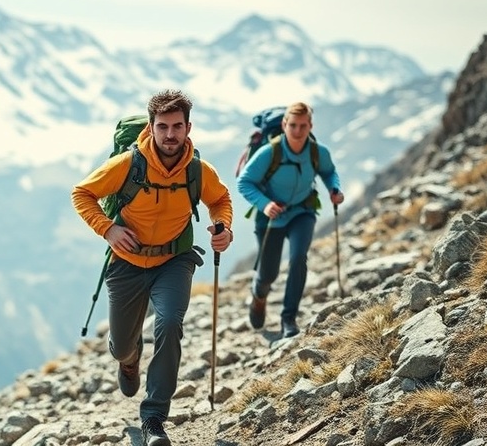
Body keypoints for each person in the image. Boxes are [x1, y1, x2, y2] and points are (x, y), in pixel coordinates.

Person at [71, 90, 233, 446]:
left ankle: (154, 418)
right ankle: (129, 362)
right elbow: (82, 193)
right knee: (122, 347)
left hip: (174, 260)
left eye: (177, 126)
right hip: (127, 263)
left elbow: (220, 199)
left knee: (170, 321)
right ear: (151, 127)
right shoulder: (127, 165)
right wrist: (108, 229)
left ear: (189, 128)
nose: (170, 135)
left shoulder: (198, 171)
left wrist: (223, 227)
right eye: (163, 127)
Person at [237, 101, 343, 339]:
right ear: (284, 124)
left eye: (303, 126)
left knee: (298, 259)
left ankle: (288, 320)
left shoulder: (317, 151)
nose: (297, 131)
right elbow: (244, 182)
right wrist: (265, 204)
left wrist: (334, 188)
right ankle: (259, 294)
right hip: (271, 218)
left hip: (302, 212)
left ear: (310, 125)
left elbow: (328, 172)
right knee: (268, 274)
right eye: (292, 125)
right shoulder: (270, 152)